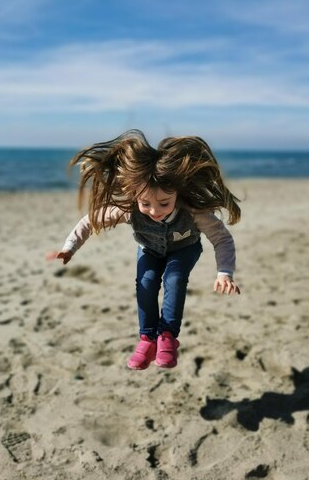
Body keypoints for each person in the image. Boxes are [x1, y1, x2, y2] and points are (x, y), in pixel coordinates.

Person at [47, 130, 241, 371]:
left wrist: (224, 272)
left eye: (164, 203)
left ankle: (168, 336)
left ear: (176, 194)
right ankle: (147, 339)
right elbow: (91, 220)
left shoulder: (192, 211)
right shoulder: (128, 209)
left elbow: (221, 238)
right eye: (145, 203)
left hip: (185, 249)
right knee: (146, 283)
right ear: (136, 196)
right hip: (148, 250)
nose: (154, 210)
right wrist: (69, 248)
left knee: (175, 278)